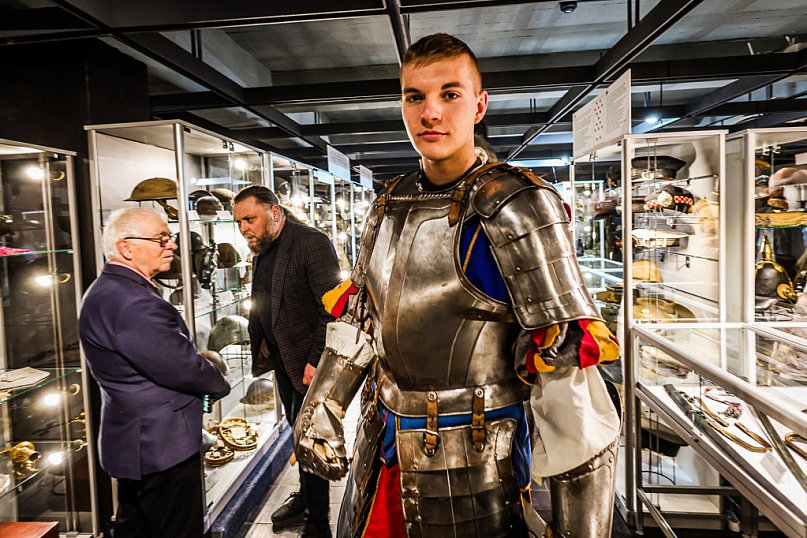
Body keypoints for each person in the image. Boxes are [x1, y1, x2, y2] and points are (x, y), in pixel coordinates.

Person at [294, 33, 622, 538]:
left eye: (450, 94)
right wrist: (323, 403)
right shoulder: (389, 203)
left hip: (475, 456)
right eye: (415, 97)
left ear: (479, 104)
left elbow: (571, 384)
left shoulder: (518, 205)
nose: (431, 113)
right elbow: (361, 316)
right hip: (383, 442)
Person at [78, 207, 231, 538]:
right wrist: (218, 381)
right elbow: (181, 368)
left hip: (141, 442)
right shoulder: (131, 301)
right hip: (161, 446)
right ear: (126, 247)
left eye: (169, 237)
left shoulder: (113, 289)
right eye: (161, 239)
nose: (172, 245)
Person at [233, 185, 340, 538]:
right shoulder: (262, 247)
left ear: (275, 212)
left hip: (308, 363)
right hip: (280, 357)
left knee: (312, 437)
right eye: (239, 222)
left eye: (250, 218)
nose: (244, 227)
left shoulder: (311, 242)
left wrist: (315, 360)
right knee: (298, 435)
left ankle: (318, 520)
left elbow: (333, 307)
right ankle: (307, 497)